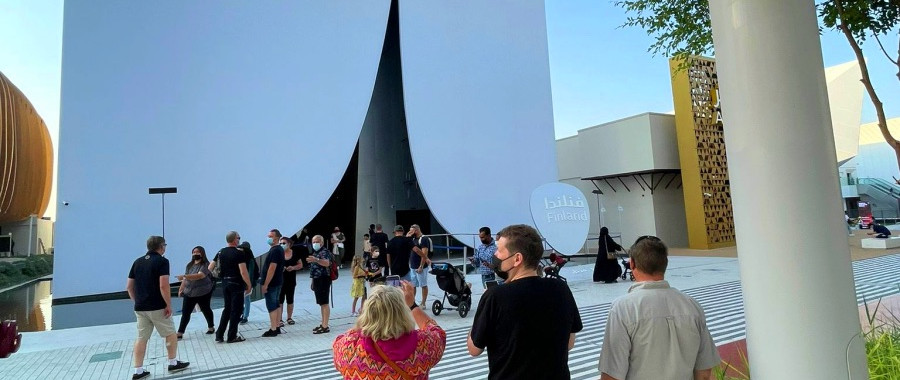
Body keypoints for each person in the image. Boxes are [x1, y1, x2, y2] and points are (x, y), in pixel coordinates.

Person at [467, 225, 582, 380]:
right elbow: (569, 343)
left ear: (517, 259)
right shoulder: (561, 289)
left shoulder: (495, 296)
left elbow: (474, 349)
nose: (495, 254)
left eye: (500, 250)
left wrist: (479, 317)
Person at [598, 236, 720, 380]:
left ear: (632, 264)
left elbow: (612, 375)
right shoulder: (692, 305)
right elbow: (704, 373)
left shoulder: (623, 309)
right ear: (665, 264)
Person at [332, 283, 447, 379]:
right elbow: (438, 333)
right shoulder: (423, 345)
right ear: (403, 312)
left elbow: (341, 340)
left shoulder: (348, 348)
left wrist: (368, 321)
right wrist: (412, 305)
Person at [127, 236, 189, 379]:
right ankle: (173, 362)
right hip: (157, 306)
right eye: (164, 245)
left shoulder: (137, 262)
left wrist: (137, 301)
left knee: (141, 338)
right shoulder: (162, 261)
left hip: (140, 307)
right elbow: (163, 285)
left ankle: (138, 370)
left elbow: (129, 287)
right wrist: (168, 304)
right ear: (161, 247)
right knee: (170, 334)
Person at [210, 231, 252, 343]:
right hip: (236, 283)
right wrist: (248, 284)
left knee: (227, 309)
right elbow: (243, 271)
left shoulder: (221, 252)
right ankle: (232, 336)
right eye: (239, 237)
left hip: (225, 283)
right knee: (236, 310)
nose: (239, 239)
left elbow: (210, 266)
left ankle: (219, 334)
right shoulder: (239, 253)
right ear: (235, 240)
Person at [175, 246, 215, 339]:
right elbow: (185, 279)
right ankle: (180, 332)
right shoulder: (189, 265)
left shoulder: (205, 264)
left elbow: (200, 275)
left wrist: (184, 276)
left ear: (202, 253)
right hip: (189, 292)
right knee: (186, 312)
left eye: (197, 252)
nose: (195, 254)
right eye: (193, 252)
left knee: (206, 309)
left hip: (203, 292)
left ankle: (211, 327)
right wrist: (181, 289)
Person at [260, 229, 286, 337]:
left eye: (270, 236)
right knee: (276, 303)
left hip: (272, 283)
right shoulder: (278, 249)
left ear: (276, 238)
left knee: (271, 305)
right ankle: (276, 326)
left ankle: (273, 328)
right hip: (277, 281)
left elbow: (272, 268)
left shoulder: (275, 250)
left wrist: (265, 284)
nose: (268, 238)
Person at [306, 235, 334, 334]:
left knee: (324, 303)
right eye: (313, 241)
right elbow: (314, 269)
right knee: (321, 303)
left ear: (321, 242)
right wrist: (312, 282)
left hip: (324, 279)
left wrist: (316, 260)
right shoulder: (316, 252)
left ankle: (325, 326)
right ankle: (323, 324)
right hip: (317, 280)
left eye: (317, 241)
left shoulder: (324, 252)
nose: (315, 243)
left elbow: (327, 263)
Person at [279, 236, 303, 326]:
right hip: (280, 280)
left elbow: (300, 265)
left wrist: (293, 267)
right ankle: (279, 319)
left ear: (289, 244)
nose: (282, 245)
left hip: (291, 280)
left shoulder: (295, 253)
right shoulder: (278, 254)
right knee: (280, 300)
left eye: (284, 243)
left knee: (290, 299)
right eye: (280, 243)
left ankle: (289, 317)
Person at [407, 224, 432, 308]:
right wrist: (408, 236)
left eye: (411, 231)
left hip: (420, 266)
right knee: (413, 285)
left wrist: (421, 265)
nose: (410, 232)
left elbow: (424, 253)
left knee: (423, 285)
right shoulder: (412, 239)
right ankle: (412, 302)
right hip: (413, 266)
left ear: (416, 230)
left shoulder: (423, 239)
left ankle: (423, 302)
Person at [237, 240, 256, 324]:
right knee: (242, 300)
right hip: (241, 282)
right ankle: (242, 315)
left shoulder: (250, 260)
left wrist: (249, 284)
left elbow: (251, 273)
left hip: (247, 282)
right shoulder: (242, 259)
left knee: (246, 299)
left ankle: (245, 316)